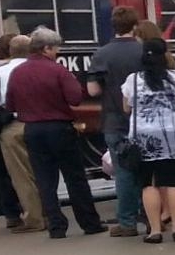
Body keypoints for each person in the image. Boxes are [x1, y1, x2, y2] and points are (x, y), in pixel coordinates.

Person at [8, 27, 106, 238]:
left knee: (45, 180)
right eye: (55, 48)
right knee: (75, 177)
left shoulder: (17, 72)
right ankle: (89, 223)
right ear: (46, 48)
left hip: (32, 130)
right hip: (59, 128)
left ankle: (56, 226)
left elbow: (10, 103)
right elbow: (75, 98)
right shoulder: (58, 71)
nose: (57, 52)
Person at [120, 35, 175, 243]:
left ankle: (155, 230)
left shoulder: (133, 80)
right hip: (174, 135)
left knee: (149, 184)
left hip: (144, 137)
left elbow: (126, 107)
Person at [86, 5, 146, 236]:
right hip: (144, 120)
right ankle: (152, 218)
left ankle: (127, 222)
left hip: (114, 120)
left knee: (123, 171)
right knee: (147, 170)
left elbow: (92, 90)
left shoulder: (102, 54)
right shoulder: (144, 51)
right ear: (135, 25)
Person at [0, 34, 41, 231]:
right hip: (40, 122)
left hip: (10, 126)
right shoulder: (43, 68)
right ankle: (49, 212)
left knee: (17, 174)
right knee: (41, 170)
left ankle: (23, 216)